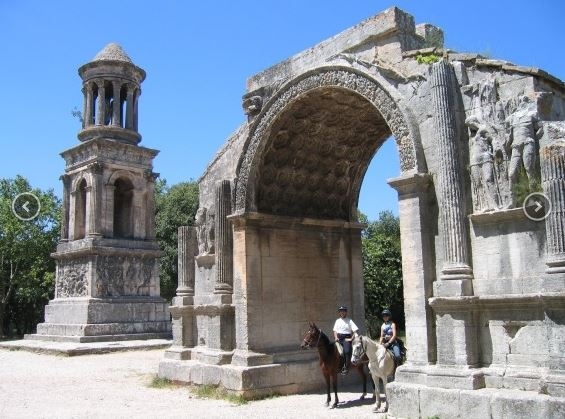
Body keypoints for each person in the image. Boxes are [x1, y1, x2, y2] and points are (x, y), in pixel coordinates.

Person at [332, 306, 359, 375]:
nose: (342, 312)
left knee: (346, 351)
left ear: (346, 312)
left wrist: (351, 338)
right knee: (332, 351)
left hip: (346, 338)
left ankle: (346, 367)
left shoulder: (349, 320)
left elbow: (355, 330)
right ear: (339, 313)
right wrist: (335, 337)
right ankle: (336, 366)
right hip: (338, 338)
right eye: (341, 311)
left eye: (344, 311)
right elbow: (335, 331)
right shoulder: (337, 321)